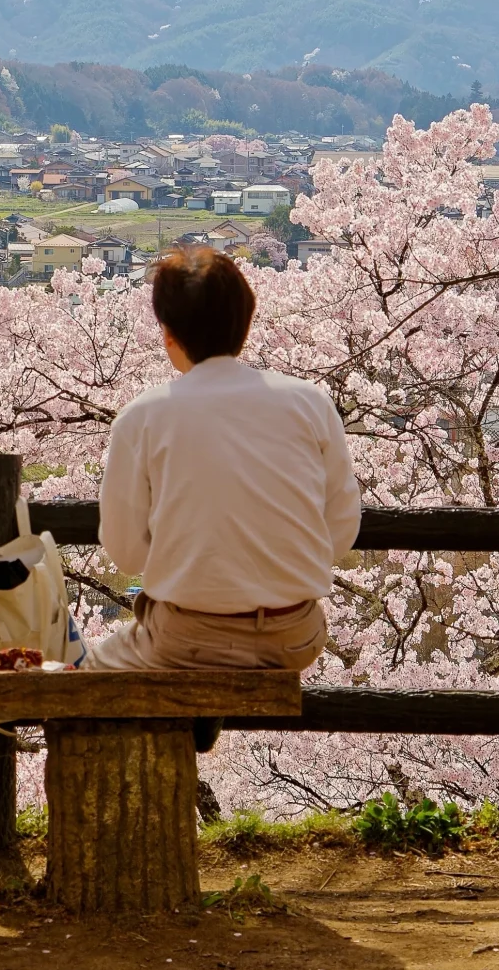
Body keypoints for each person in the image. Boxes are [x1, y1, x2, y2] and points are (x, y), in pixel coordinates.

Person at [89, 245, 358, 683]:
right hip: (295, 636)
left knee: (86, 675)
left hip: (186, 638)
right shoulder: (311, 403)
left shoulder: (143, 416)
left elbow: (126, 553)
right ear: (246, 323)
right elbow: (340, 530)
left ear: (168, 333)